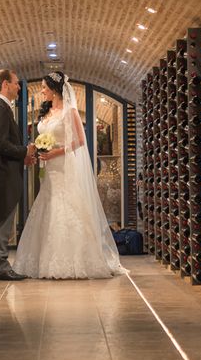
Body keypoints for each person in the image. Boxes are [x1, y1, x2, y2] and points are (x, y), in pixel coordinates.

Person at [13, 71, 127, 279]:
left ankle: (73, 260)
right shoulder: (46, 113)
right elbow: (43, 135)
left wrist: (56, 151)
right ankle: (43, 259)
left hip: (64, 165)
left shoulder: (70, 112)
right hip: (48, 169)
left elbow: (80, 141)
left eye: (45, 87)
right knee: (47, 205)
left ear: (55, 89)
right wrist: (40, 150)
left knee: (66, 206)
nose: (43, 91)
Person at [0, 69, 36, 281]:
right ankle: (1, 268)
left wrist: (22, 157)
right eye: (16, 83)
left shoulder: (1, 108)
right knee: (0, 221)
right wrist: (25, 151)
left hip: (4, 173)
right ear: (5, 84)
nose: (19, 87)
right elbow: (2, 144)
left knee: (3, 221)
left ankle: (2, 265)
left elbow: (1, 144)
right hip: (1, 176)